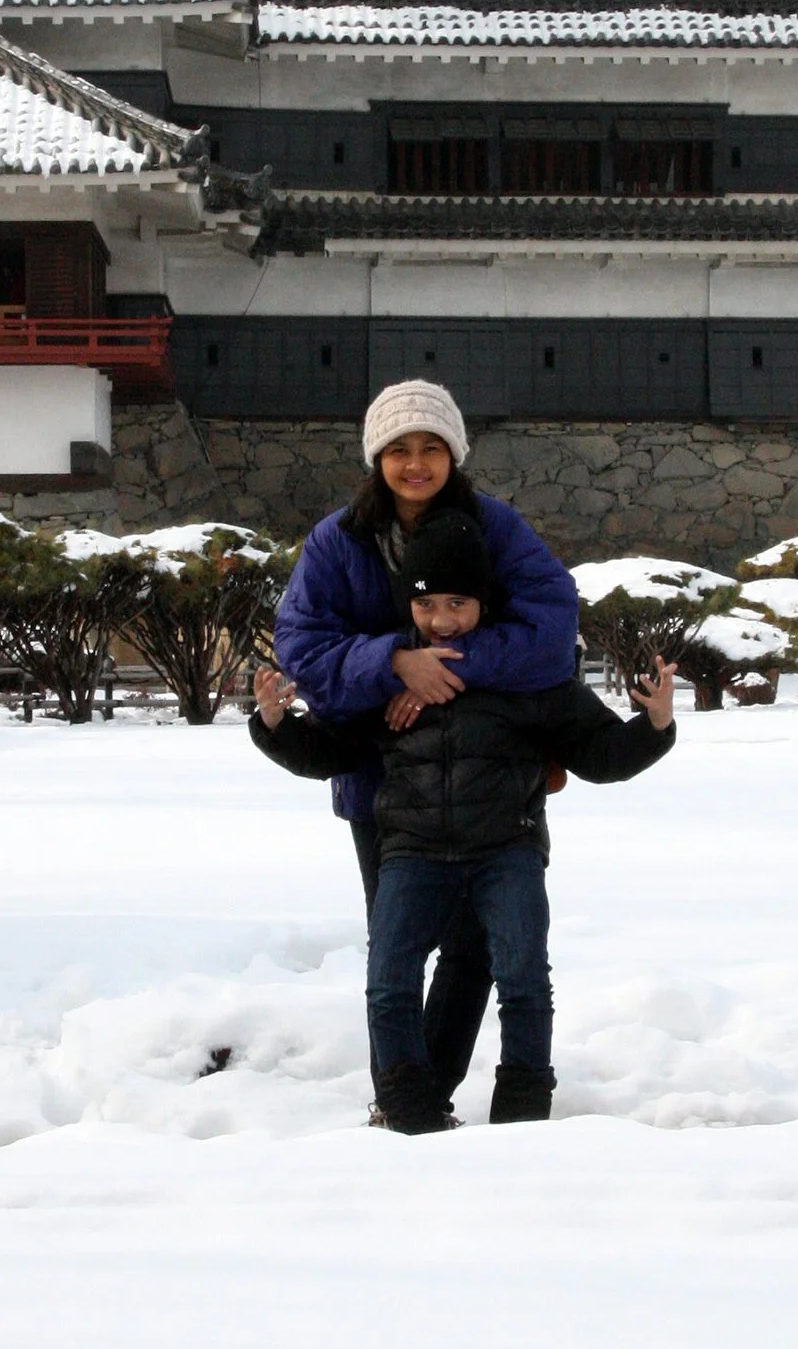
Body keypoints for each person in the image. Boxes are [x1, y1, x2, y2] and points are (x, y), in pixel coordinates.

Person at [255, 505, 675, 1130]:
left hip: (508, 851)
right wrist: (273, 725)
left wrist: (656, 724)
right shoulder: (393, 680)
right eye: (426, 606)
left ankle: (523, 1107)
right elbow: (330, 750)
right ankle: (407, 1108)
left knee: (524, 977)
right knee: (389, 978)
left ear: (484, 602)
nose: (443, 620)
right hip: (411, 853)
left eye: (459, 603)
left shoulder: (527, 675)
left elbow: (600, 755)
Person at [266, 380, 580, 1112]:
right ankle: (403, 1096)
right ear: (377, 457)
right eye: (398, 449)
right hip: (381, 775)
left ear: (454, 454)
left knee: (475, 949)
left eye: (431, 447)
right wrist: (391, 663)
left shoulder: (494, 527)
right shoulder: (336, 539)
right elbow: (300, 642)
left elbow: (551, 627)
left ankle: (424, 1090)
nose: (415, 463)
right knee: (396, 951)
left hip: (489, 776)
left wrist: (444, 667)